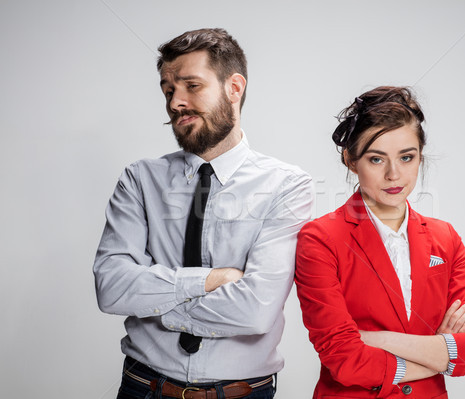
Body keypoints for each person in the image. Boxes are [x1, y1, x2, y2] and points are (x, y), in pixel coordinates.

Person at [94, 28, 313, 399]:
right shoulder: (139, 179)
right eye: (168, 90)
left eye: (191, 86)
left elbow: (255, 312)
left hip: (244, 393)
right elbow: (112, 289)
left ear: (234, 87)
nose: (176, 102)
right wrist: (212, 279)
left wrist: (155, 308)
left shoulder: (287, 185)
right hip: (143, 388)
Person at [295, 86, 465, 398]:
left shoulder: (446, 239)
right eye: (376, 159)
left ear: (419, 157)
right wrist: (439, 354)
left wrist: (380, 340)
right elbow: (344, 359)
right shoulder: (320, 239)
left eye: (406, 157)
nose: (394, 174)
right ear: (350, 159)